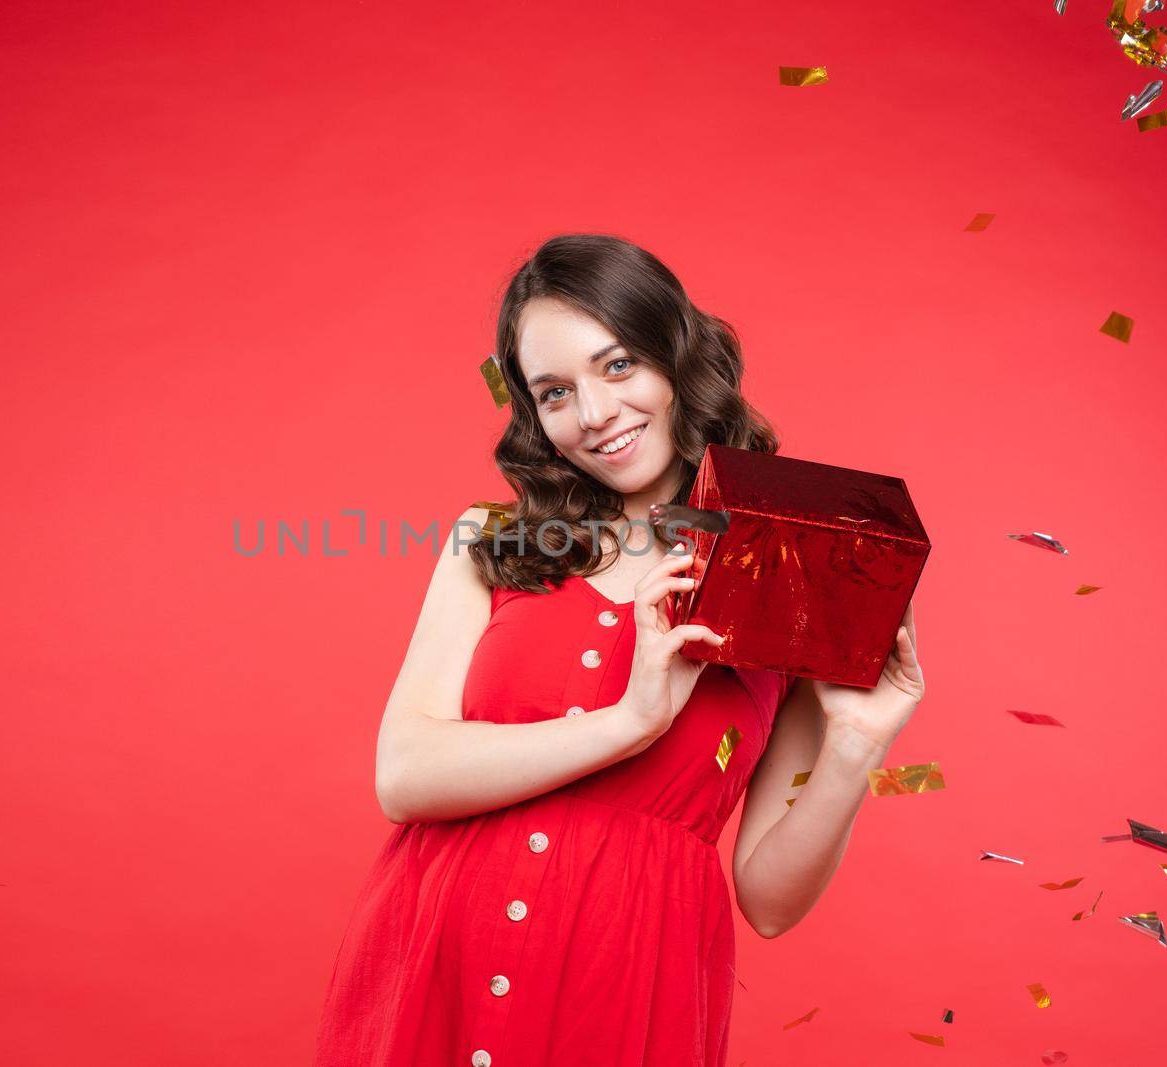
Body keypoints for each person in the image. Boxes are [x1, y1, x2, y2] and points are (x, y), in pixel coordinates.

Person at [312, 233, 924, 1066]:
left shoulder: (787, 567)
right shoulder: (489, 542)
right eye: (555, 392)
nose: (594, 415)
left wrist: (854, 746)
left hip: (630, 989)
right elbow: (404, 773)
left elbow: (770, 901)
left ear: (677, 358)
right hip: (434, 967)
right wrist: (628, 723)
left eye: (619, 365)